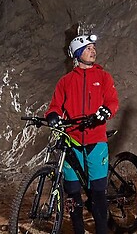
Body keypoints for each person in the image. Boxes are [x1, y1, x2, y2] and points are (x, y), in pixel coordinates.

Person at [48, 34, 119, 234]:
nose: (93, 51)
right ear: (78, 54)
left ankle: (102, 230)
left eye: (94, 47)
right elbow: (55, 105)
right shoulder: (66, 81)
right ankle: (78, 229)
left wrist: (107, 110)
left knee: (97, 193)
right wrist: (53, 115)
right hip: (72, 140)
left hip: (96, 139)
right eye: (88, 48)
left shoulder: (104, 77)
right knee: (72, 192)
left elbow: (112, 101)